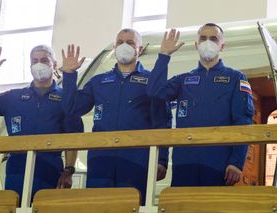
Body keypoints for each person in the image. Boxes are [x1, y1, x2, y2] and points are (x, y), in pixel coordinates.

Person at [60, 29, 169, 204]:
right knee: (98, 206)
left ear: (140, 49)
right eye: (120, 42)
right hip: (101, 160)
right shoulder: (98, 81)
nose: (124, 46)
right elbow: (71, 108)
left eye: (130, 42)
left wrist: (162, 159)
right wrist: (69, 76)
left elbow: (162, 121)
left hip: (137, 161)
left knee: (133, 206)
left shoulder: (151, 81)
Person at [147, 23, 254, 186]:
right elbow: (155, 92)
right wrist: (164, 55)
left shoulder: (235, 78)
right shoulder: (183, 80)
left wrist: (236, 162)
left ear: (222, 45)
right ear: (196, 44)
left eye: (213, 38)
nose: (207, 42)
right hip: (184, 162)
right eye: (203, 38)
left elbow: (243, 122)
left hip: (219, 164)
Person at [0, 44, 83, 200]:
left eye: (44, 60)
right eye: (34, 61)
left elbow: (73, 136)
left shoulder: (66, 100)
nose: (39, 64)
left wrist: (69, 170)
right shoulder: (14, 97)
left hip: (50, 172)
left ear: (54, 64)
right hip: (17, 171)